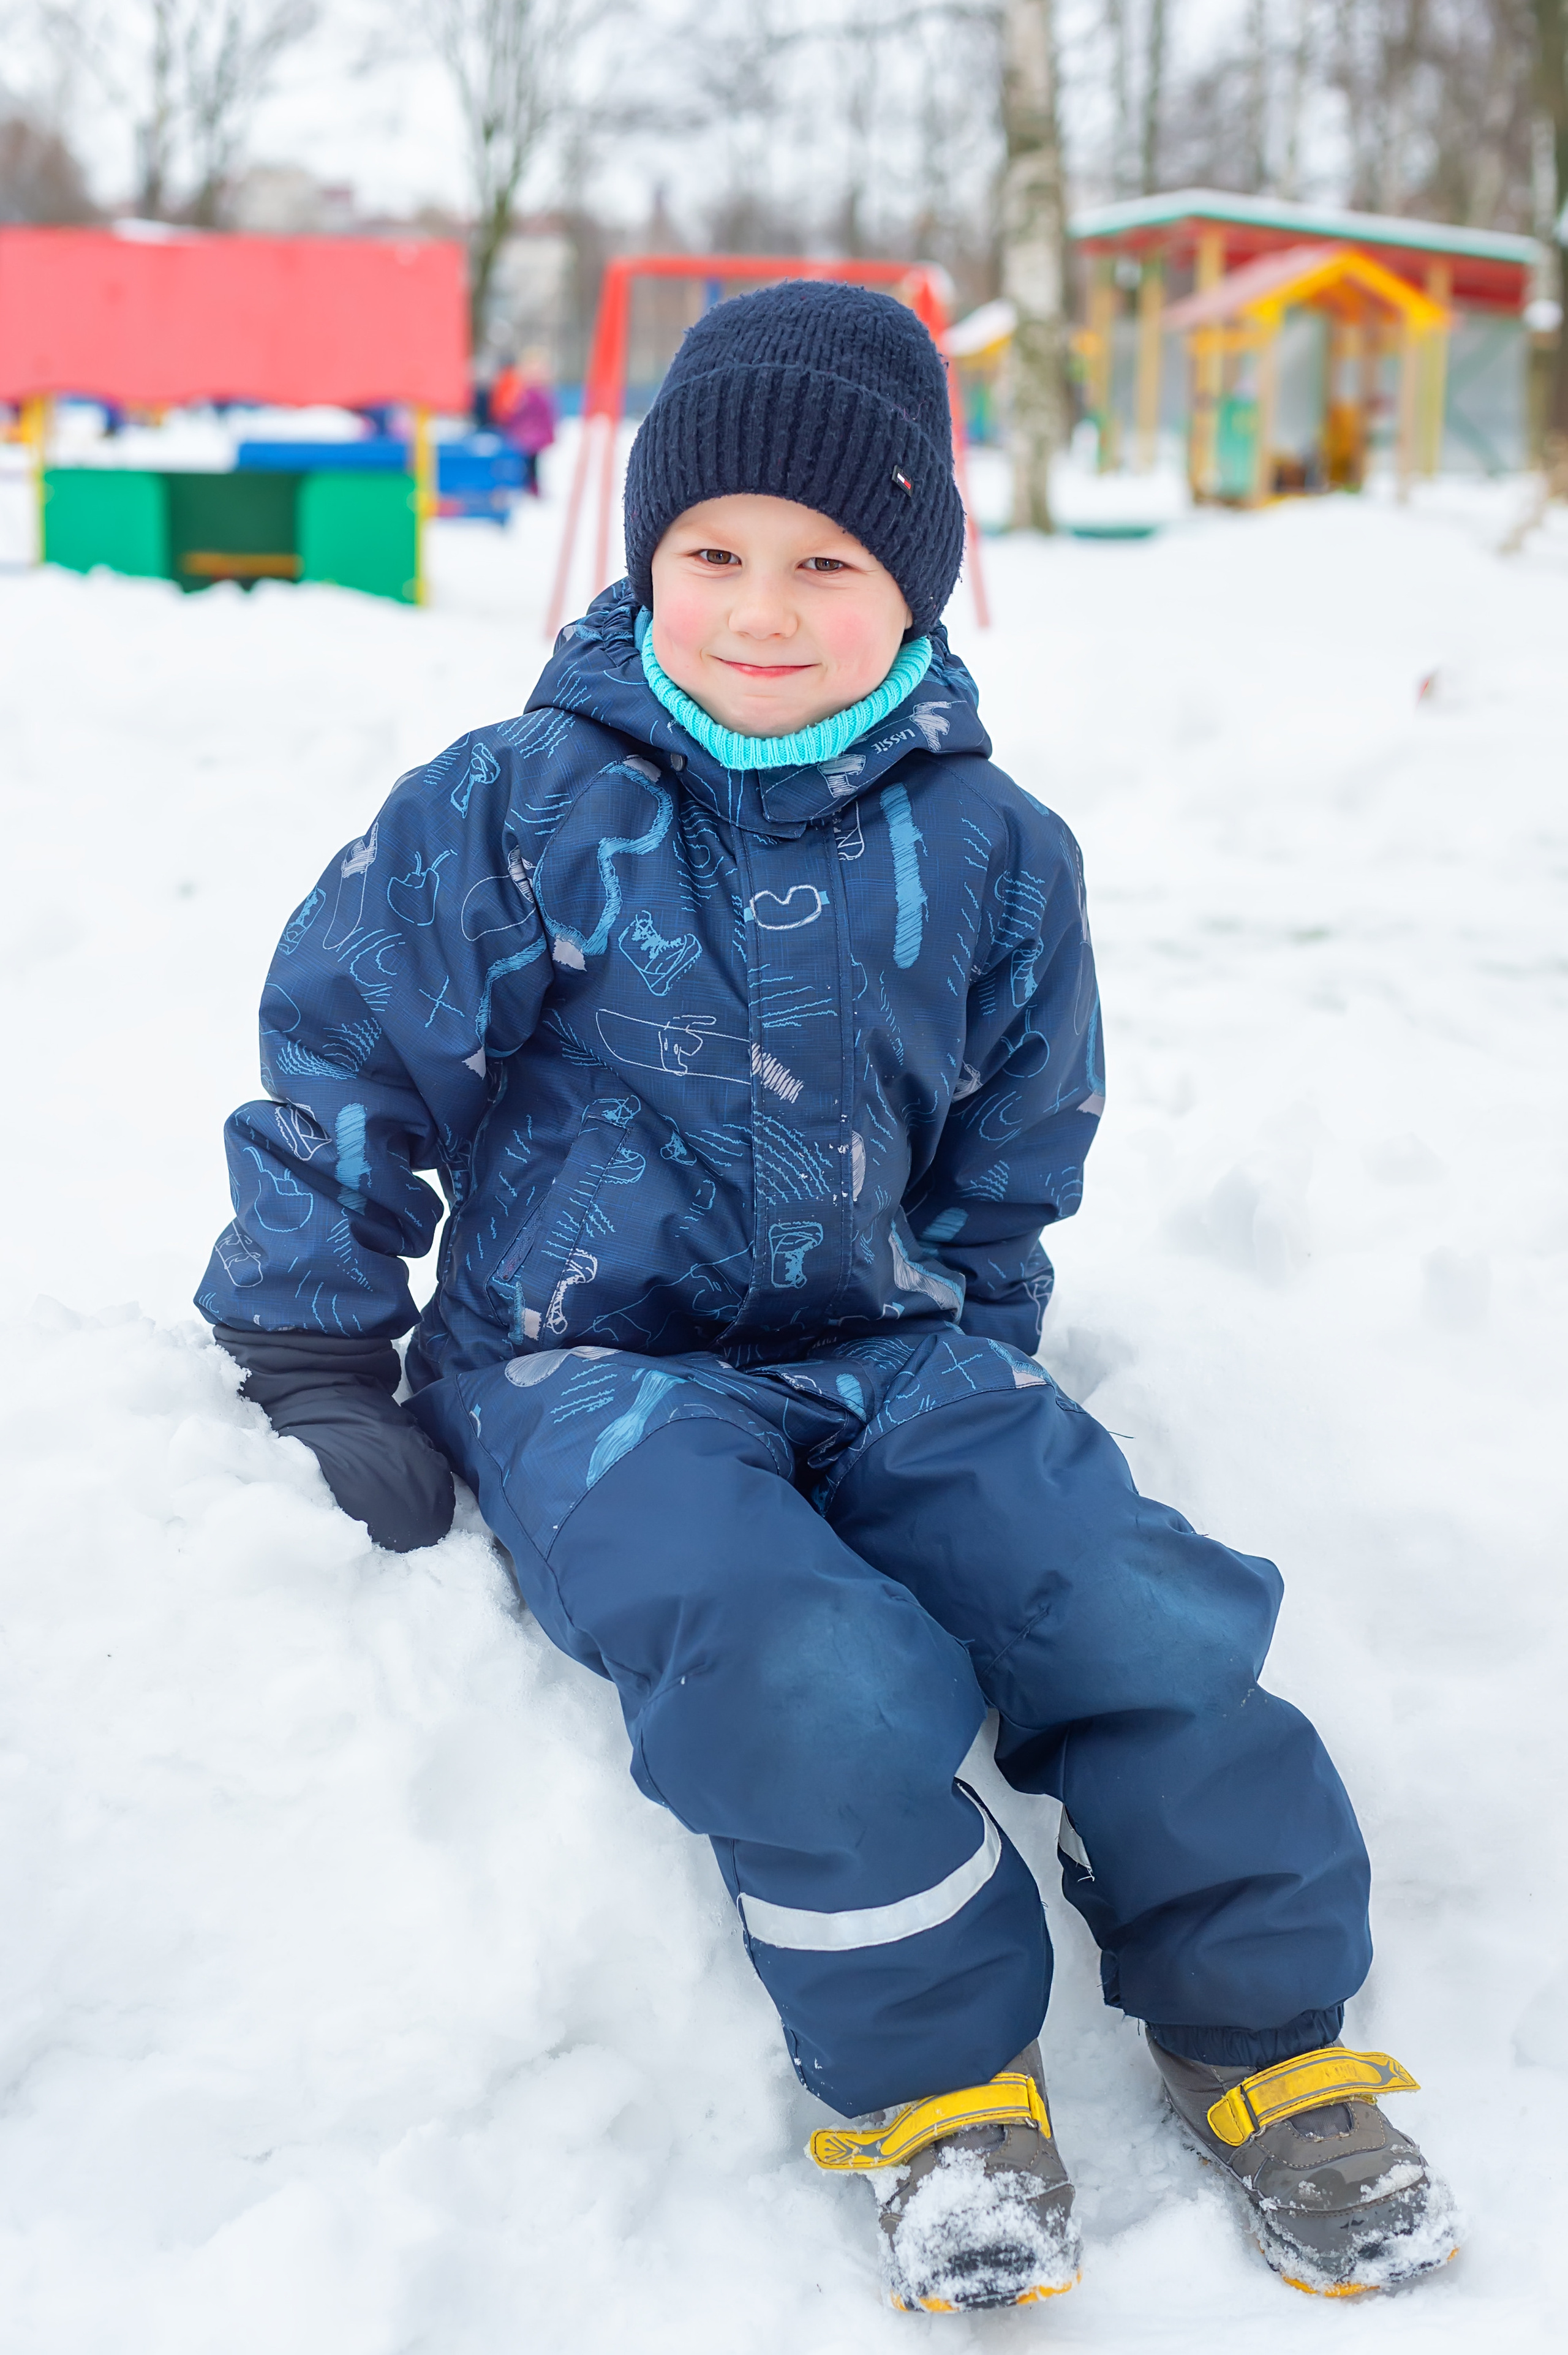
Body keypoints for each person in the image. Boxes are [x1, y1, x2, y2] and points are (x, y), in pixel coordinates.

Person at [198, 282, 1454, 2315]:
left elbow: (1022, 1124)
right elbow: (352, 1049)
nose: (762, 607)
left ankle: (1270, 2032)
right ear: (649, 556)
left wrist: (985, 1352)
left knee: (1136, 1605)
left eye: (825, 561)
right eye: (713, 554)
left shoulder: (995, 850)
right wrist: (313, 1333)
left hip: (894, 1343)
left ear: (917, 586)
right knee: (800, 1659)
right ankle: (946, 2090)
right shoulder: (526, 806)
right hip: (589, 1360)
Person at [489, 348, 556, 495]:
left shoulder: (537, 395)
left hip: (532, 434)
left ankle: (531, 486)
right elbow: (516, 412)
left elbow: (544, 415)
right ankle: (528, 485)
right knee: (527, 461)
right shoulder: (526, 392)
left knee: (532, 462)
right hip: (527, 433)